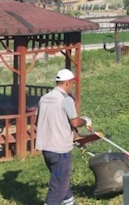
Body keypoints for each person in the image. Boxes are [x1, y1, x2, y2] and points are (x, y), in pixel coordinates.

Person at [35, 69, 91, 205]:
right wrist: (85, 121)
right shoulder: (66, 100)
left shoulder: (44, 98)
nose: (72, 86)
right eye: (71, 83)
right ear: (66, 83)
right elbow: (75, 122)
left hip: (46, 148)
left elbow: (36, 121)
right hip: (60, 150)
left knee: (61, 181)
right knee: (58, 188)